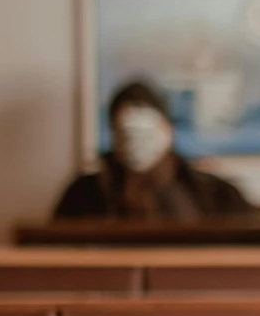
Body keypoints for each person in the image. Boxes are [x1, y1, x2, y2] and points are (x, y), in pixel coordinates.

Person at [53, 78, 249, 222]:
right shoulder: (82, 196)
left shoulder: (216, 194)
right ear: (113, 135)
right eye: (126, 134)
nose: (136, 144)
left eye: (145, 132)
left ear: (167, 130)